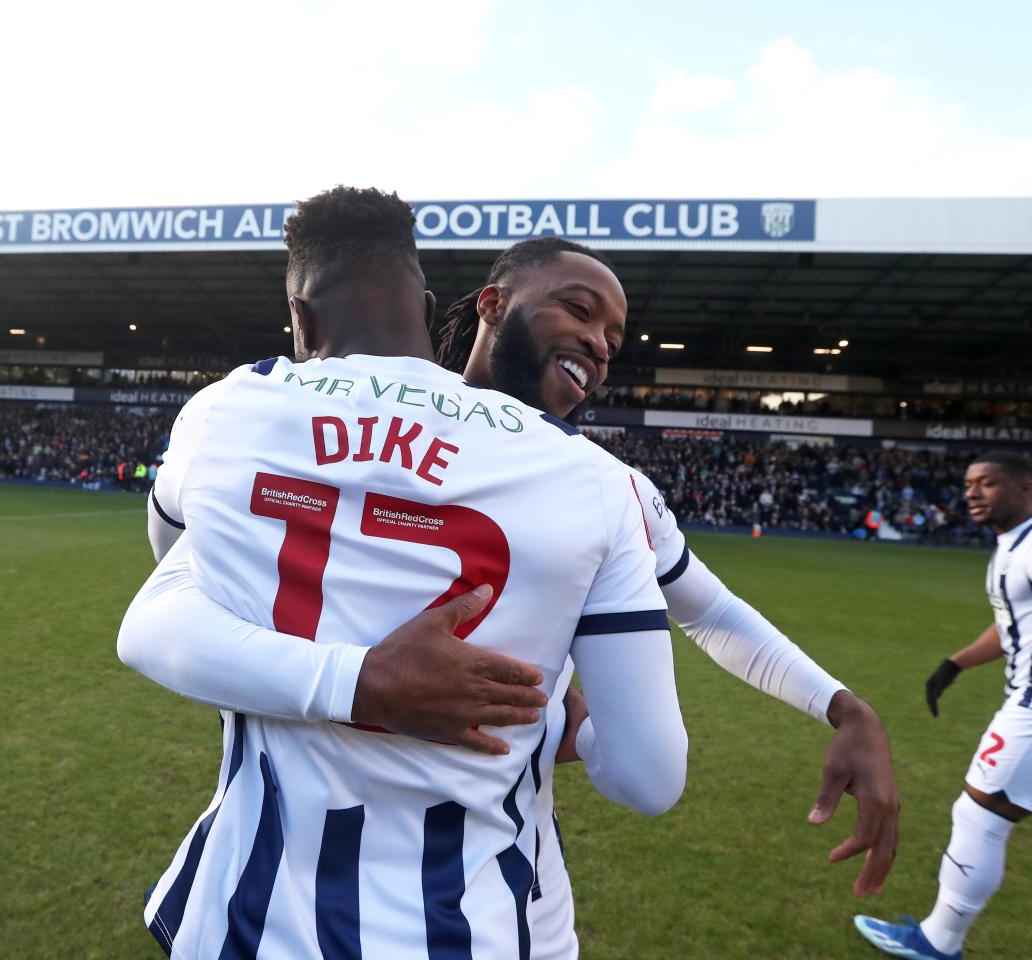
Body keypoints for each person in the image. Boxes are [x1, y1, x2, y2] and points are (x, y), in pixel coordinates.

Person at [118, 187, 687, 959]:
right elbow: (650, 777)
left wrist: (341, 670)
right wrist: (555, 717)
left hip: (241, 922)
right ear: (425, 305)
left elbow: (171, 591)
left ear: (302, 319)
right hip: (465, 929)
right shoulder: (587, 476)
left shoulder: (231, 410)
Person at [434, 237, 899, 954]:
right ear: (493, 304)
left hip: (516, 884)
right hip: (305, 873)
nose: (598, 344)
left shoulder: (612, 489)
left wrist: (844, 706)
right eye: (579, 310)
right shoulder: (365, 436)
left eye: (614, 338)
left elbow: (710, 610)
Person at [855, 451, 1032, 960]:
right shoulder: (1009, 549)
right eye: (969, 483)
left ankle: (939, 941)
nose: (974, 492)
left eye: (989, 483)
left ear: (1024, 488)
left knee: (980, 816)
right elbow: (1013, 625)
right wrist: (954, 664)